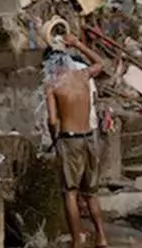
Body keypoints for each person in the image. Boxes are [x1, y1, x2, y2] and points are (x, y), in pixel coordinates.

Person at [45, 33, 109, 248]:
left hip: (69, 140)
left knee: (70, 193)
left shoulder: (52, 85)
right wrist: (78, 44)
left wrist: (54, 140)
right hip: (90, 138)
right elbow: (100, 63)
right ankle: (101, 237)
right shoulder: (83, 75)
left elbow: (52, 121)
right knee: (91, 193)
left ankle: (76, 240)